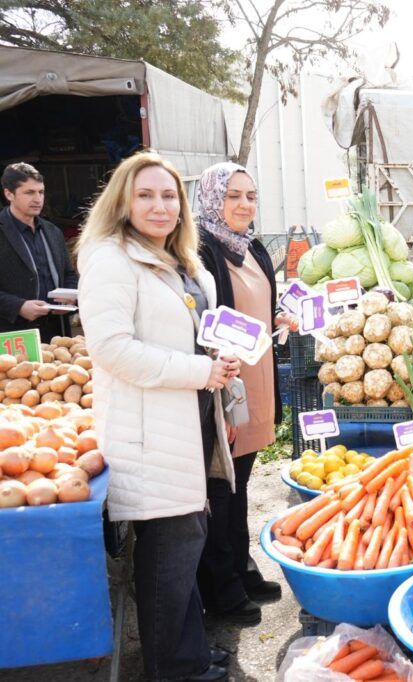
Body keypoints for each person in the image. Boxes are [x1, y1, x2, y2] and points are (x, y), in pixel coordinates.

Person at [77, 152, 239, 682]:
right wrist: (198, 371)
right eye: (145, 194)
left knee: (185, 545)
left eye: (169, 195)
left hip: (186, 423)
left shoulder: (178, 258)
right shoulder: (110, 259)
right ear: (122, 200)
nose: (159, 205)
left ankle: (187, 651)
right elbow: (111, 349)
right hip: (151, 432)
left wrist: (221, 363)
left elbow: (199, 335)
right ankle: (175, 668)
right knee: (168, 555)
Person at [194, 162, 285, 624]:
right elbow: (205, 328)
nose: (245, 204)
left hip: (259, 384)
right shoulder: (200, 251)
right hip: (226, 389)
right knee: (221, 491)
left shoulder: (254, 248)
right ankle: (222, 590)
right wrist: (223, 393)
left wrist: (282, 320)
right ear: (213, 199)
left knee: (242, 484)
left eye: (251, 195)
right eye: (233, 195)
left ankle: (241, 568)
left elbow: (260, 316)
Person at [0, 163, 78, 339]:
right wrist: (18, 306)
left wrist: (70, 296)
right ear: (9, 194)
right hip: (11, 333)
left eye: (40, 192)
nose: (37, 199)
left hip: (56, 330)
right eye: (29, 193)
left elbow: (68, 273)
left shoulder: (52, 231)